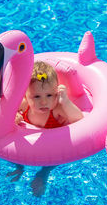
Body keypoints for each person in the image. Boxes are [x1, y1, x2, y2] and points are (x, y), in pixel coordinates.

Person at [7, 61, 83, 197]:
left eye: (49, 95)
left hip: (52, 148)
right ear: (25, 95)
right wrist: (14, 117)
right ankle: (19, 168)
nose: (43, 102)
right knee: (15, 155)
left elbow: (79, 121)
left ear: (56, 93)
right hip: (28, 147)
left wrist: (65, 101)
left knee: (53, 160)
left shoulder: (57, 109)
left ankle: (43, 173)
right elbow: (5, 115)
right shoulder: (24, 105)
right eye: (36, 96)